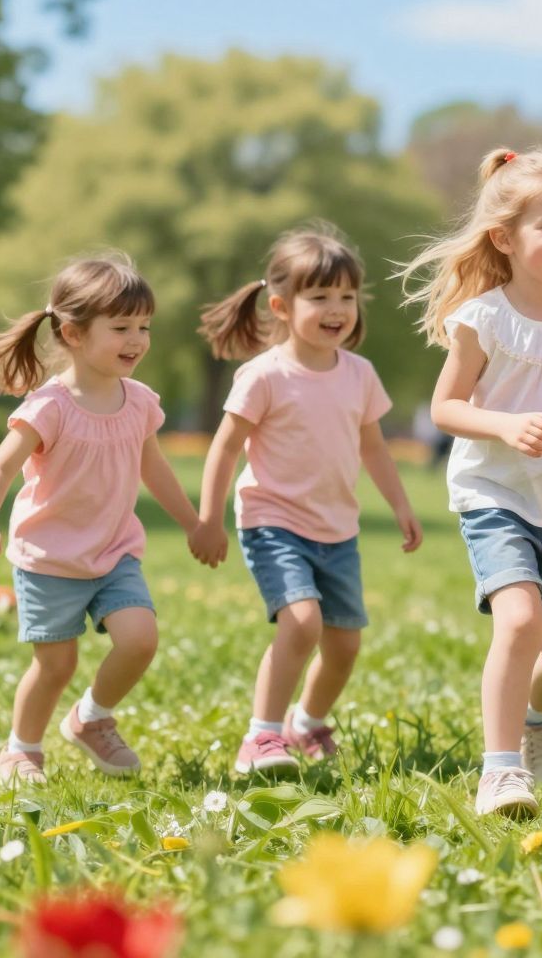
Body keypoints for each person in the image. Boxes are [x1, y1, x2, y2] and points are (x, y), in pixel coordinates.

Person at [399, 146, 542, 817]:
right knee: (519, 619)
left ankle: (533, 719)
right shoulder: (484, 318)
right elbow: (446, 409)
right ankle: (500, 771)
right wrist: (504, 425)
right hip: (496, 496)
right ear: (505, 237)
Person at [0, 252, 207, 786]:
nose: (137, 339)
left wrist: (194, 522)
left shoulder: (139, 402)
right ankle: (21, 749)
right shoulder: (50, 406)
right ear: (72, 334)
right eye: (120, 327)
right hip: (50, 558)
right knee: (55, 666)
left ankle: (91, 717)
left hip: (114, 551)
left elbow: (155, 468)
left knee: (140, 639)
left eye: (144, 327)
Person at [192, 225, 422, 777]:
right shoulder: (265, 375)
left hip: (338, 530)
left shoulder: (359, 374)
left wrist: (401, 506)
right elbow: (225, 448)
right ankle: (262, 737)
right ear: (281, 305)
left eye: (347, 296)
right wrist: (208, 518)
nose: (336, 308)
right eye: (320, 297)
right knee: (301, 622)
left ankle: (307, 721)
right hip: (273, 521)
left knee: (344, 646)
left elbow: (374, 447)